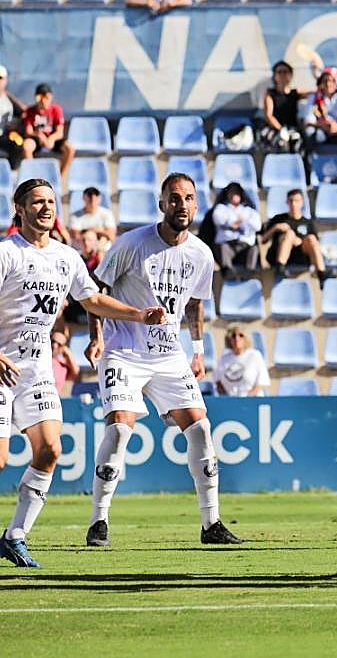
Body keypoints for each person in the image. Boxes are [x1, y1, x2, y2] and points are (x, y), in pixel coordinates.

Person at [0, 178, 167, 568]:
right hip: (0, 365)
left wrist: (138, 314)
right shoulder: (7, 253)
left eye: (51, 202)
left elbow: (92, 299)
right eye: (37, 202)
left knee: (50, 450)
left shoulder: (66, 257)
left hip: (36, 368)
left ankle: (15, 536)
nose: (46, 208)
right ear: (20, 209)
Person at [84, 172, 243, 549]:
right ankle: (98, 520)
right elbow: (94, 291)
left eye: (188, 198)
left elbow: (196, 303)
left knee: (201, 429)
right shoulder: (133, 243)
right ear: (162, 204)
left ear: (196, 205)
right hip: (124, 350)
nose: (182, 205)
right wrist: (97, 336)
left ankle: (211, 523)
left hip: (170, 354)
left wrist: (199, 349)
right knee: (121, 429)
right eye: (174, 198)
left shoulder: (201, 254)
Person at [260, 188, 334, 284]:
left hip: (300, 256)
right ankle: (280, 268)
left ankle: (321, 273)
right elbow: (263, 240)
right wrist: (275, 228)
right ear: (287, 202)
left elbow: (315, 244)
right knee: (289, 234)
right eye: (291, 201)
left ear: (302, 202)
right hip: (276, 255)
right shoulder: (278, 219)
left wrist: (298, 241)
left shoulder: (307, 223)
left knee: (311, 238)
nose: (293, 204)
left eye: (296, 201)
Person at [21, 83, 75, 183]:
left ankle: (59, 179)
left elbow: (59, 132)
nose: (43, 101)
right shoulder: (30, 111)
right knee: (26, 146)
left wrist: (51, 139)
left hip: (52, 138)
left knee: (70, 148)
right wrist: (39, 135)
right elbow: (29, 131)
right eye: (39, 97)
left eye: (46, 97)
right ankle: (33, 179)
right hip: (36, 138)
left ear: (50, 98)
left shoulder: (56, 109)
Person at [211, 182, 261, 278]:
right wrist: (234, 221)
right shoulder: (221, 208)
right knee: (222, 248)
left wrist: (241, 223)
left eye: (236, 193)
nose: (234, 195)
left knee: (254, 249)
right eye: (231, 192)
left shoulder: (249, 210)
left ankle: (249, 273)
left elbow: (257, 225)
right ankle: (228, 271)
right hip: (227, 245)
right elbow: (218, 219)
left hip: (245, 246)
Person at [303, 67, 337, 153]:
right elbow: (308, 121)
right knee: (309, 138)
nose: (328, 84)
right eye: (325, 81)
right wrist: (322, 126)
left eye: (332, 80)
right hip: (320, 132)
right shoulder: (314, 97)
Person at [260, 61, 304, 152]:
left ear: (290, 75)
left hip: (292, 129)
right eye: (279, 72)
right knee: (278, 143)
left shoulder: (295, 93)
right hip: (275, 129)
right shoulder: (270, 94)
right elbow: (269, 115)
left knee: (298, 143)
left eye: (285, 72)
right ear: (274, 76)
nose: (282, 75)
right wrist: (281, 130)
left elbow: (315, 93)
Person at [215, 326, 271, 397]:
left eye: (241, 335)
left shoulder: (255, 355)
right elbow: (218, 382)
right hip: (231, 402)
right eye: (233, 336)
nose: (237, 338)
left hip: (252, 401)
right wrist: (227, 398)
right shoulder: (224, 359)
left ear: (246, 338)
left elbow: (261, 382)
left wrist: (245, 399)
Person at [0, 64, 25, 168]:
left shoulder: (8, 98)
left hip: (3, 136)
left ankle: (11, 176)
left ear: (5, 80)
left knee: (17, 144)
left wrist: (15, 126)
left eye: (0, 78)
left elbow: (25, 112)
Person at [50, 330, 79, 394]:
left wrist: (68, 353)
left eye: (59, 344)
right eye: (52, 341)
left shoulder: (63, 367)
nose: (54, 345)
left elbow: (75, 373)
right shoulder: (38, 359)